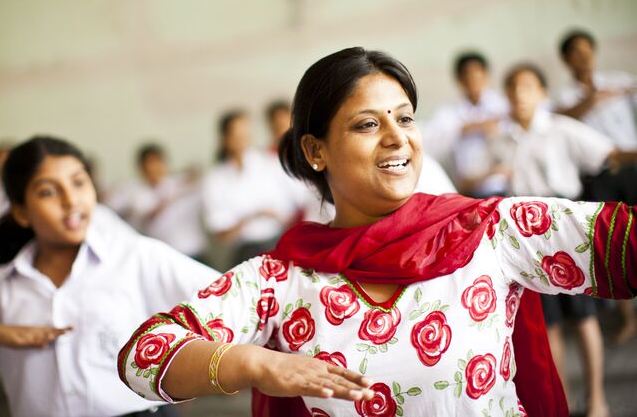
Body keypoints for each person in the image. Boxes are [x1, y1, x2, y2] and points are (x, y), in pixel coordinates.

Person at [118, 47, 636, 416]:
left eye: (406, 119)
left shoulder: (489, 230)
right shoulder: (279, 281)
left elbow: (625, 242)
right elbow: (144, 357)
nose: (396, 139)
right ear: (315, 151)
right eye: (367, 125)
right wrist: (255, 364)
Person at [0, 136, 219, 417]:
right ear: (20, 211)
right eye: (49, 191)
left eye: (79, 182)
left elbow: (233, 300)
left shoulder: (135, 256)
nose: (71, 200)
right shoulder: (0, 288)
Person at [489, 64, 637, 417]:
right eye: (511, 89)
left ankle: (596, 399)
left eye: (526, 87)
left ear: (541, 93)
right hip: (523, 238)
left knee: (583, 317)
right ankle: (563, 403)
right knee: (548, 324)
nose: (518, 95)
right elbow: (477, 177)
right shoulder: (502, 139)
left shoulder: (561, 129)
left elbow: (610, 154)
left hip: (562, 226)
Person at [556, 28, 637, 344]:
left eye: (587, 51)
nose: (584, 57)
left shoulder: (618, 80)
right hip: (601, 176)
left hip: (633, 166)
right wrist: (594, 99)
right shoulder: (565, 98)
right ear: (566, 60)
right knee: (617, 244)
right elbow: (561, 116)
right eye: (576, 53)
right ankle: (627, 319)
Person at [202, 110, 299, 266]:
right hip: (244, 252)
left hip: (276, 242)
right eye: (237, 134)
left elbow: (291, 209)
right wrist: (253, 216)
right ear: (225, 139)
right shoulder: (215, 179)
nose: (243, 138)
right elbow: (220, 231)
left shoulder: (269, 163)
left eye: (245, 132)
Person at [422, 51, 508, 197]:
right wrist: (470, 128)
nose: (473, 82)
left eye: (478, 76)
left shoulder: (503, 107)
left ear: (486, 76)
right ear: (459, 80)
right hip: (467, 190)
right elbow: (434, 141)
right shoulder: (448, 113)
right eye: (468, 77)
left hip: (503, 188)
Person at [127, 143, 207, 260]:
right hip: (165, 257)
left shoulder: (177, 182)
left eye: (157, 162)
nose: (154, 168)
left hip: (195, 251)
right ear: (141, 168)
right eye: (150, 164)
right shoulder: (137, 194)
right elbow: (148, 216)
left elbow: (198, 172)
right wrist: (171, 196)